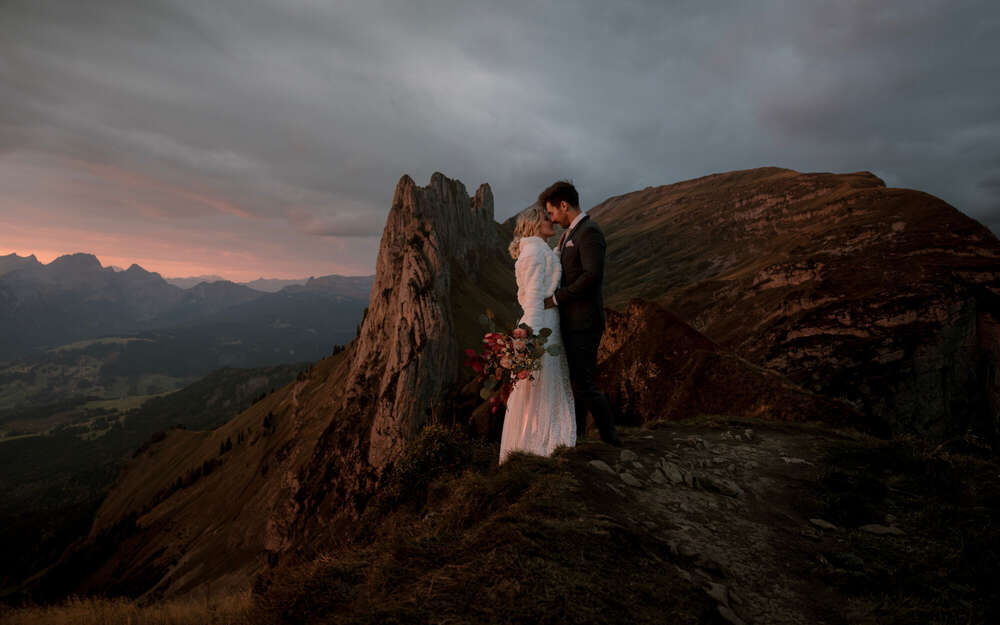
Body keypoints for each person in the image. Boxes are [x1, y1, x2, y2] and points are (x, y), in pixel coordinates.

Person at [540, 180, 622, 447]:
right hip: (572, 321)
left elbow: (592, 276)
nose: (551, 218)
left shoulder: (590, 232)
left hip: (584, 321)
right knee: (576, 383)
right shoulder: (569, 235)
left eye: (552, 212)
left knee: (584, 383)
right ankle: (578, 439)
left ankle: (611, 440)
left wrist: (555, 298)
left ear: (564, 205)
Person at [498, 205, 577, 464]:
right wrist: (528, 338)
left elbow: (546, 278)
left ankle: (540, 443)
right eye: (546, 218)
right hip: (540, 324)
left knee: (543, 385)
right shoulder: (533, 252)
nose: (551, 220)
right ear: (534, 223)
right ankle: (539, 445)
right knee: (540, 385)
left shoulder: (538, 250)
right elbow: (532, 300)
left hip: (546, 322)